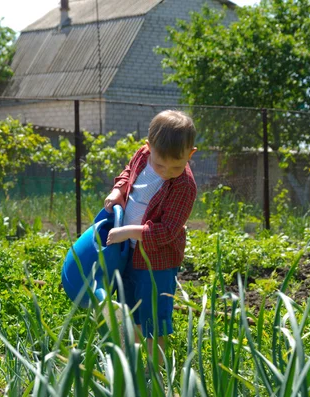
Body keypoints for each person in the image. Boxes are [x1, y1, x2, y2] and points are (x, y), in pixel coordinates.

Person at [104, 110, 197, 361]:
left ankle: (155, 371)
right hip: (128, 253)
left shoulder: (184, 186)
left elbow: (167, 231)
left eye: (176, 165)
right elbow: (128, 172)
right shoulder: (143, 156)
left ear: (190, 154)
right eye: (160, 164)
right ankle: (132, 362)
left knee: (153, 317)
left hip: (156, 261)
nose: (166, 171)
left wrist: (128, 232)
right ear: (148, 147)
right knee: (130, 307)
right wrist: (118, 191)